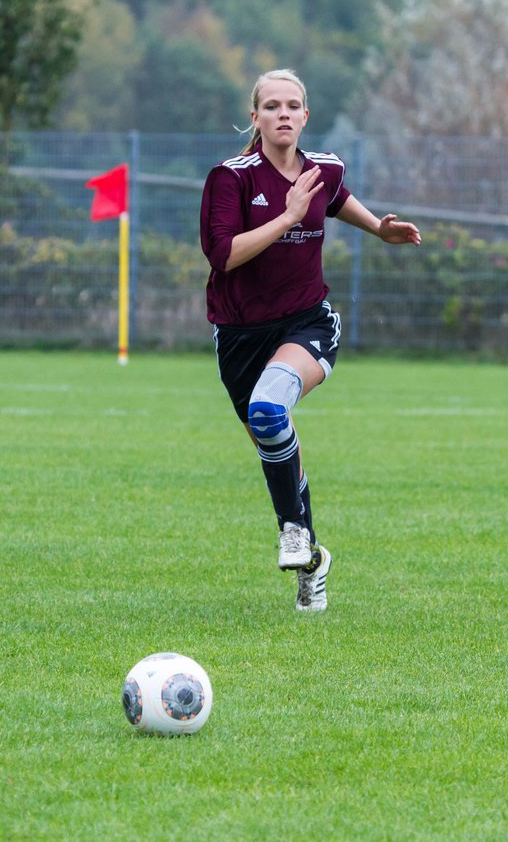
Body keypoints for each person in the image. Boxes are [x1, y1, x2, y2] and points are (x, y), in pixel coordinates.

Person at [200, 69, 420, 612]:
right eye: (270, 105)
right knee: (272, 445)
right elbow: (223, 255)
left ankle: (294, 533)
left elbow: (338, 199)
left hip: (307, 323)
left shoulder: (323, 170)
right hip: (239, 336)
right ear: (254, 117)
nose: (282, 113)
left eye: (292, 105)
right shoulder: (230, 177)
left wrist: (379, 229)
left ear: (305, 116)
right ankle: (314, 560)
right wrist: (288, 217)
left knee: (270, 410)